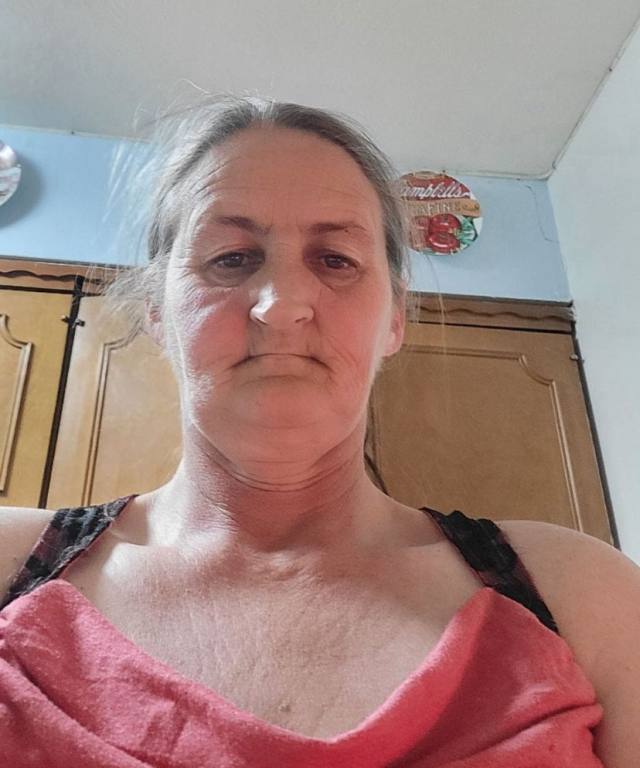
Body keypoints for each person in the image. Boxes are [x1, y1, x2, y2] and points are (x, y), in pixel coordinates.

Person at [0, 95, 638, 768]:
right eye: (231, 258)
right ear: (158, 309)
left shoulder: (583, 594)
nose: (280, 307)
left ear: (395, 319)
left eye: (335, 259)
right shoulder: (11, 564)